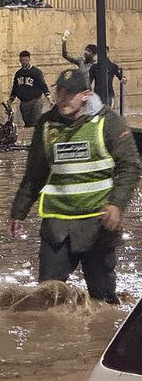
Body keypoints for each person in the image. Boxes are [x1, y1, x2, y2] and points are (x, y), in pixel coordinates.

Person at [9, 70, 141, 304]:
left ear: (85, 95)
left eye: (68, 93)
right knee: (47, 297)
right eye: (59, 91)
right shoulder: (46, 125)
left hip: (98, 224)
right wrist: (19, 211)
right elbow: (35, 173)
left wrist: (117, 204)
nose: (61, 97)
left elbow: (130, 166)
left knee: (103, 299)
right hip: (58, 224)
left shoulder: (109, 122)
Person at [8, 50, 52, 127]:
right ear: (20, 61)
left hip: (35, 101)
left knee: (36, 122)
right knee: (28, 123)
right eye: (22, 61)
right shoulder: (18, 74)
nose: (24, 63)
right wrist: (11, 100)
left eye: (26, 60)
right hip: (24, 102)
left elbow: (42, 85)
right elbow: (15, 87)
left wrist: (48, 97)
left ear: (29, 60)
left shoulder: (36, 72)